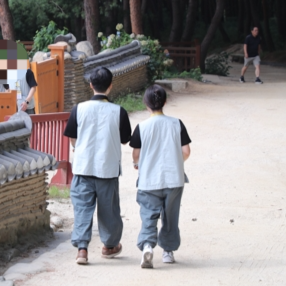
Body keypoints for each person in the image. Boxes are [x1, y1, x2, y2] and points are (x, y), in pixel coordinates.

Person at [63, 67, 132, 265]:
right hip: (107, 168)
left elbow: (73, 139)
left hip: (83, 167)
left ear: (90, 85)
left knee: (82, 208)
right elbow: (125, 139)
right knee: (109, 209)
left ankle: (82, 250)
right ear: (111, 86)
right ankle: (110, 246)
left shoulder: (79, 109)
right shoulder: (119, 111)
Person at [129, 84, 191, 269]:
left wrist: (136, 164)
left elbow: (136, 154)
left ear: (146, 104)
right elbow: (186, 151)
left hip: (149, 180)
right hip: (174, 179)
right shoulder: (176, 123)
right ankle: (168, 252)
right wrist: (176, 162)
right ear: (165, 102)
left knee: (149, 214)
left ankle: (147, 246)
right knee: (170, 216)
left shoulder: (142, 127)